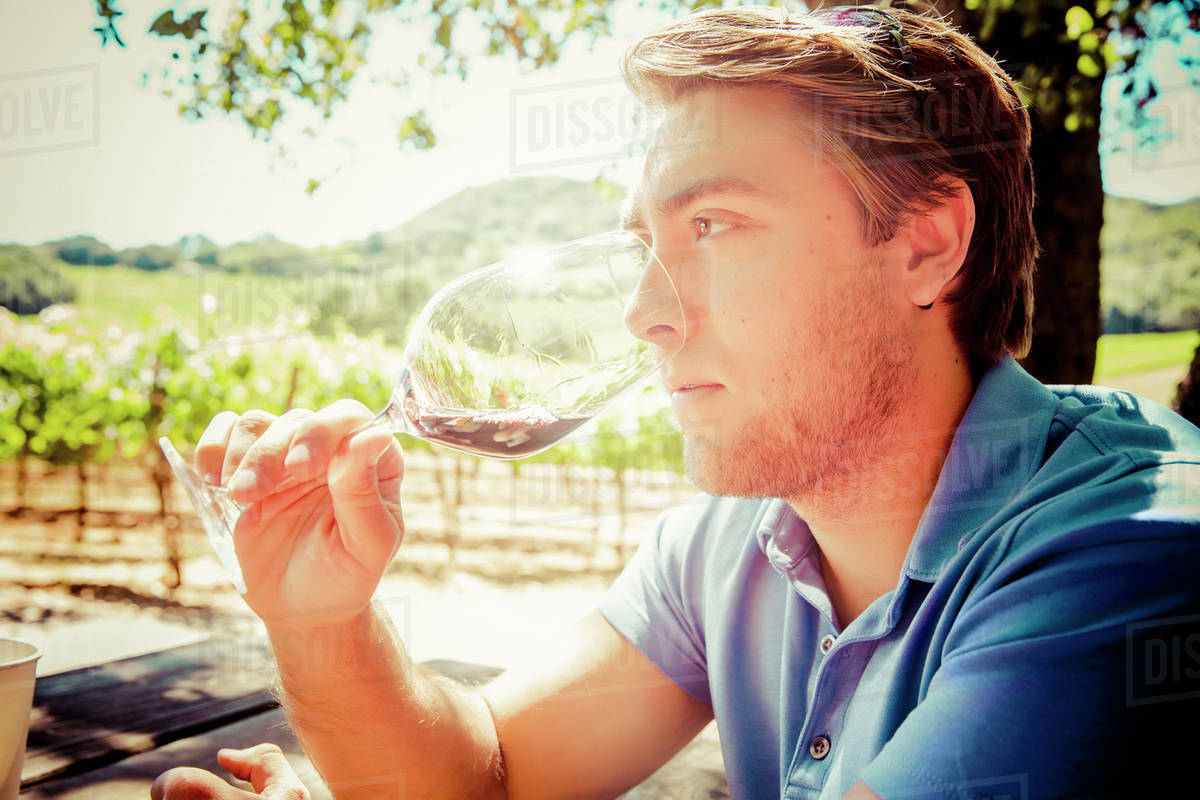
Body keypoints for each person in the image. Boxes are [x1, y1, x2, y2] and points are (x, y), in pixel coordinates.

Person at [152, 5, 1200, 800]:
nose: (646, 312)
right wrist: (323, 621)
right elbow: (492, 771)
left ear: (925, 243)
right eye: (645, 245)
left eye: (714, 225)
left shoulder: (1130, 551)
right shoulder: (735, 538)